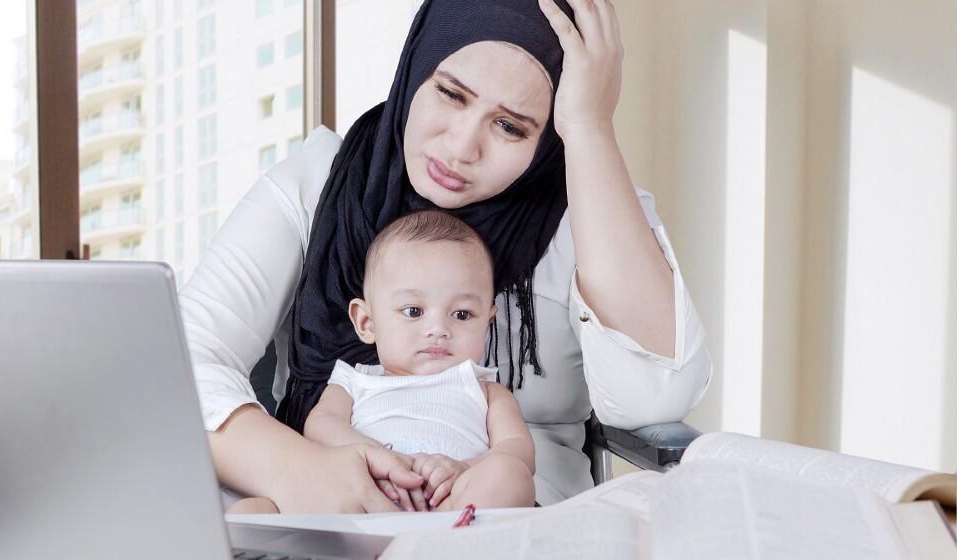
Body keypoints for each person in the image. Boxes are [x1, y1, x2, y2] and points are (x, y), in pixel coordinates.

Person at [181, 0, 712, 514]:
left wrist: (590, 129)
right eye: (452, 94)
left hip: (507, 527)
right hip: (319, 510)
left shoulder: (590, 206)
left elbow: (656, 397)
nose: (461, 147)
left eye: (511, 126)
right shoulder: (316, 181)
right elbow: (181, 357)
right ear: (418, 64)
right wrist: (299, 470)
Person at [301, 209, 536, 512]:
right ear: (367, 322)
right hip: (365, 500)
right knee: (256, 506)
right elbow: (320, 426)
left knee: (510, 477)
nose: (438, 330)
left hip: (448, 506)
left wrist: (464, 468)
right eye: (413, 311)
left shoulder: (486, 391)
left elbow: (518, 450)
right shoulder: (353, 383)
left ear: (487, 323)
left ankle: (438, 542)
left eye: (461, 314)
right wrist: (375, 456)